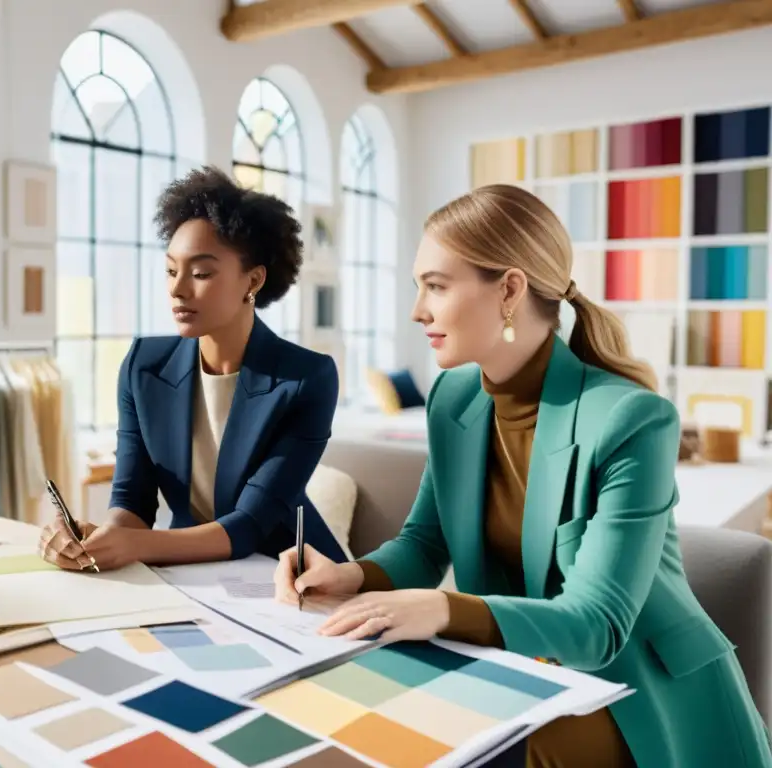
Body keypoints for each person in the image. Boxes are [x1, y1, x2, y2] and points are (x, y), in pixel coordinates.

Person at [274, 184, 772, 768]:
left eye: (436, 286)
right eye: (419, 287)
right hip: (525, 669)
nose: (418, 310)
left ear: (509, 289)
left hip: (639, 692)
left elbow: (598, 626)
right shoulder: (453, 398)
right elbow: (425, 542)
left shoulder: (631, 420)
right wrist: (352, 574)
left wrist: (440, 608)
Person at [39, 166, 348, 573]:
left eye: (200, 273)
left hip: (292, 575)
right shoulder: (143, 366)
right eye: (171, 270)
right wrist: (97, 540)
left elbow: (249, 525)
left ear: (252, 281)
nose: (177, 289)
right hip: (189, 573)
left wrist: (134, 545)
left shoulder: (306, 378)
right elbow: (132, 501)